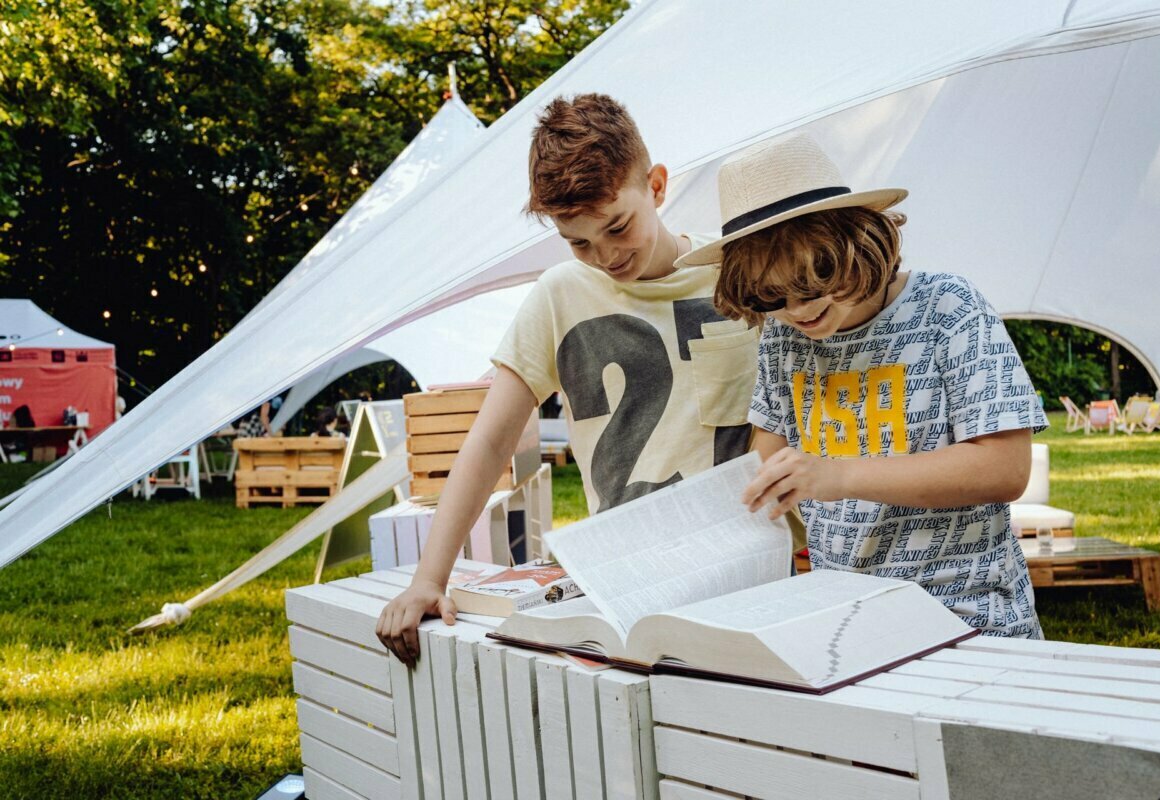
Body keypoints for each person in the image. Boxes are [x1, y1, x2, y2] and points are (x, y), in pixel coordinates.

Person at [376, 94, 759, 665]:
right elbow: (488, 441)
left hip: (754, 569)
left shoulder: (743, 272)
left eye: (617, 227)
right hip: (632, 584)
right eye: (578, 241)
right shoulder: (557, 294)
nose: (604, 255)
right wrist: (429, 578)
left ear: (656, 186)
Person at [678, 132, 1046, 637]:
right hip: (845, 619)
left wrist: (838, 475)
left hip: (966, 615)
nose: (798, 310)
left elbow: (1005, 468)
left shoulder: (949, 308)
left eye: (815, 281)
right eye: (772, 296)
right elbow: (770, 457)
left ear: (861, 240)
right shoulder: (783, 339)